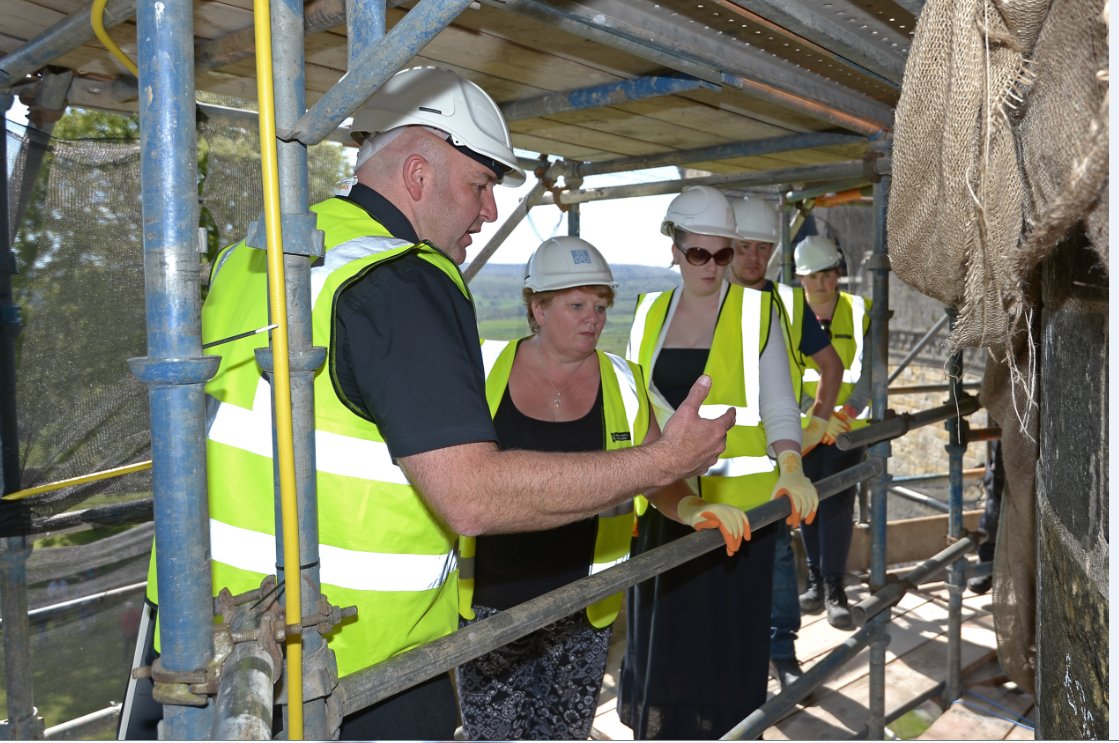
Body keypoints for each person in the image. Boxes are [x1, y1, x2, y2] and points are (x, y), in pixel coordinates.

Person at [122, 66, 734, 741]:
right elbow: (473, 496)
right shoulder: (400, 277)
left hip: (198, 642)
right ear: (417, 175)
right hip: (348, 668)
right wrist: (662, 461)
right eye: (479, 185)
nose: (489, 211)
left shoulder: (263, 250)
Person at [455, 237, 748, 740]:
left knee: (565, 735)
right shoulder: (479, 373)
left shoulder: (623, 381)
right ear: (538, 307)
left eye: (600, 305)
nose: (592, 317)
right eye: (576, 305)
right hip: (490, 605)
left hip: (584, 606)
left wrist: (696, 507)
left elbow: (660, 475)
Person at [617, 185, 818, 739]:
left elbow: (780, 402)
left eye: (723, 254)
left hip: (735, 522)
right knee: (666, 644)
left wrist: (791, 462)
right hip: (669, 510)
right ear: (674, 248)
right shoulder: (648, 312)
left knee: (725, 653)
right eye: (697, 253)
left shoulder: (758, 312)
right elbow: (637, 408)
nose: (710, 266)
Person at [728, 196, 845, 694]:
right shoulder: (705, 302)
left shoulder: (788, 303)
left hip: (773, 462)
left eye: (764, 248)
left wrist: (814, 425)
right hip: (710, 469)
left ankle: (781, 655)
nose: (754, 258)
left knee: (775, 561)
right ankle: (739, 664)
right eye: (744, 247)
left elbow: (833, 367)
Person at [792, 235, 872, 631]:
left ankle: (835, 589)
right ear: (799, 278)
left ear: (838, 274)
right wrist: (815, 414)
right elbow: (782, 375)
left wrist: (846, 412)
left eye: (827, 274)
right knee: (808, 504)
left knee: (838, 506)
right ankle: (815, 583)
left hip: (847, 430)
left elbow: (872, 371)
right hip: (806, 429)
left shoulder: (860, 311)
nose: (821, 283)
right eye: (812, 276)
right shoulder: (787, 316)